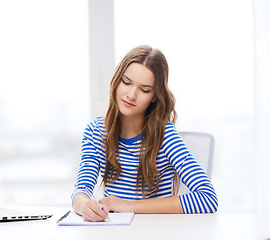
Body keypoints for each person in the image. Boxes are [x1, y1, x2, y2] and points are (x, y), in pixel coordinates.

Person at [72, 45, 218, 222]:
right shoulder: (96, 132)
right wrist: (84, 205)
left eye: (145, 90)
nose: (131, 95)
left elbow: (208, 198)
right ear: (116, 81)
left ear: (155, 96)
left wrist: (128, 205)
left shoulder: (165, 136)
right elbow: (81, 191)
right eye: (126, 82)